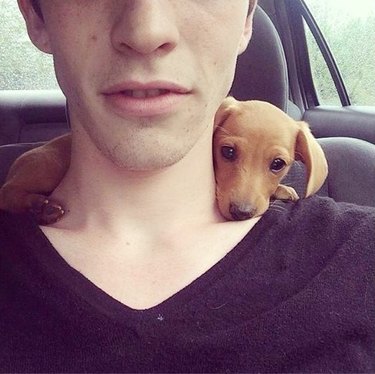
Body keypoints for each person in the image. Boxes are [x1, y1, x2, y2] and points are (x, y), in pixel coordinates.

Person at [0, 0, 374, 372]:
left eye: (276, 166)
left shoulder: (361, 257)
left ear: (247, 17)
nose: (147, 32)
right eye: (230, 152)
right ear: (35, 14)